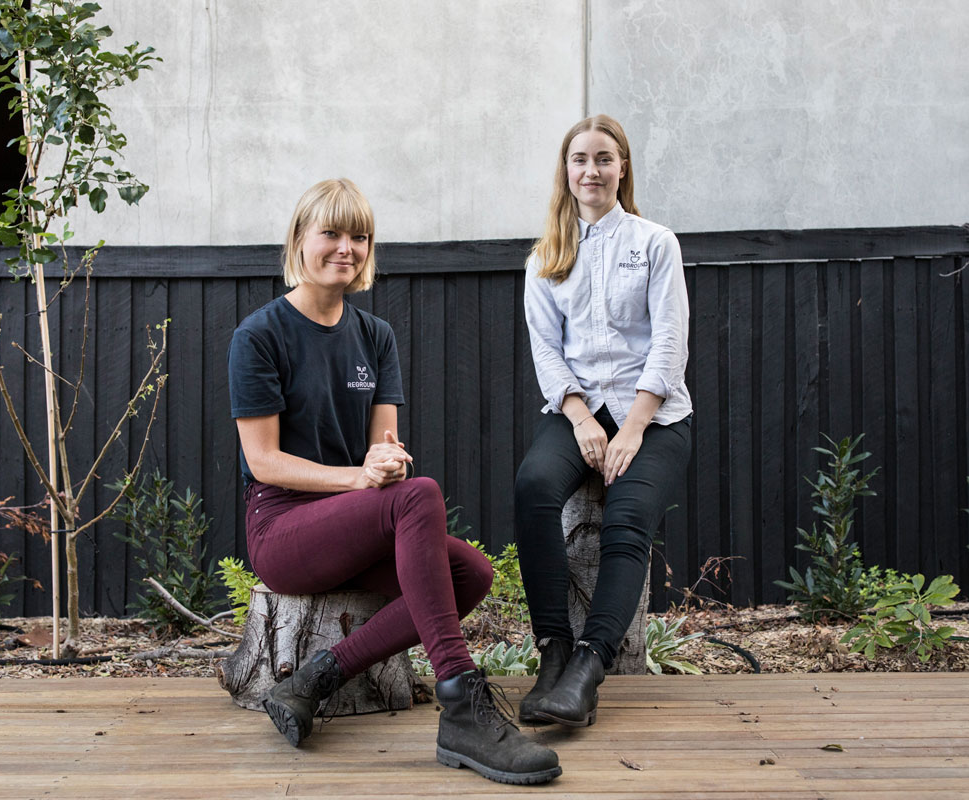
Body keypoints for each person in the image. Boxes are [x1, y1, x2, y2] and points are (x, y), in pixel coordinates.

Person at [227, 178, 561, 785]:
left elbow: (384, 453)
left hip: (351, 523)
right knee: (422, 496)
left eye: (359, 235)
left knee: (472, 572)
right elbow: (263, 462)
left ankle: (317, 676)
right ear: (300, 240)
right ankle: (461, 700)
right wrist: (363, 479)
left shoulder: (375, 337)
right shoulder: (260, 335)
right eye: (330, 232)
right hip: (282, 529)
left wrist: (384, 465)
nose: (345, 247)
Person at [514, 116, 693, 727]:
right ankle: (553, 650)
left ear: (623, 169)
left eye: (604, 159)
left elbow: (669, 343)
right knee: (534, 488)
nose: (591, 170)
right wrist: (581, 418)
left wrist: (636, 426)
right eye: (579, 159)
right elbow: (546, 350)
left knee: (627, 516)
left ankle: (589, 669)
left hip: (656, 415)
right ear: (566, 172)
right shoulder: (544, 257)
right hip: (577, 409)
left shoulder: (655, 243)